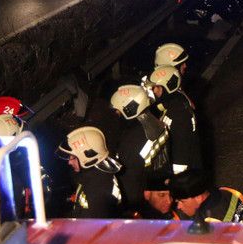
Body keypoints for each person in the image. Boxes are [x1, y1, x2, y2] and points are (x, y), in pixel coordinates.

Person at [109, 84, 170, 213]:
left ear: (129, 110)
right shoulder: (155, 123)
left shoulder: (131, 139)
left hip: (138, 201)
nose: (116, 115)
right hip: (154, 186)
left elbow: (128, 177)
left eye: (118, 111)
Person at [57, 126, 122, 219]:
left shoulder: (98, 187)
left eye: (73, 157)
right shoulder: (96, 175)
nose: (69, 162)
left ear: (87, 156)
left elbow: (92, 224)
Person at [149, 65, 201, 173]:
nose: (152, 92)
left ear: (165, 87)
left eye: (154, 88)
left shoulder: (179, 115)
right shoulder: (176, 98)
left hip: (185, 170)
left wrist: (176, 179)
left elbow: (181, 152)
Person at [169, 169, 243, 223]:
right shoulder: (229, 193)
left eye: (182, 201)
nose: (179, 206)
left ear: (198, 198)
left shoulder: (207, 223)